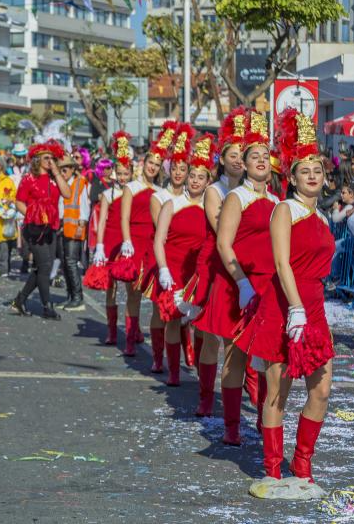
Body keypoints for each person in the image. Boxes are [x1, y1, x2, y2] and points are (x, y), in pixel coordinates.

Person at [237, 109, 334, 498]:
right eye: (304, 169)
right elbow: (281, 261)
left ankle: (303, 462)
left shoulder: (324, 219)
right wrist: (294, 308)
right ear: (291, 178)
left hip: (315, 309)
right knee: (277, 390)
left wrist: (308, 310)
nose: (312, 175)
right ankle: (273, 468)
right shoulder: (284, 209)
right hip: (283, 307)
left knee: (322, 389)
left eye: (318, 170)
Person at [193, 110, 278, 445]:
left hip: (267, 287)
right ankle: (231, 424)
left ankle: (261, 417)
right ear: (242, 163)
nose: (260, 160)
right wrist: (242, 283)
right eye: (252, 156)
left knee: (266, 355)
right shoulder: (234, 196)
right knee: (235, 354)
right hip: (235, 284)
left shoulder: (275, 201)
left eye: (265, 156)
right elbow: (223, 242)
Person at [184, 107, 249, 418]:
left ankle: (241, 397)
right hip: (217, 268)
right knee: (213, 339)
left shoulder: (255, 190)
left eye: (242, 153)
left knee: (240, 340)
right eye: (232, 154)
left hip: (247, 268)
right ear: (222, 159)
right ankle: (207, 396)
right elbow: (220, 226)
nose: (238, 159)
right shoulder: (214, 190)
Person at [152, 133, 213, 387]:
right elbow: (159, 240)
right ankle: (174, 371)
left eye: (201, 177)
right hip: (175, 270)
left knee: (201, 323)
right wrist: (164, 269)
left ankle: (200, 367)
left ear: (208, 180)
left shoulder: (213, 206)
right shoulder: (171, 203)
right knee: (173, 320)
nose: (195, 181)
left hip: (199, 273)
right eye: (192, 176)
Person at [117, 124, 169, 356]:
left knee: (155, 295)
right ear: (144, 163)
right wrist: (126, 242)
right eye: (150, 163)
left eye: (157, 165)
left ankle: (144, 334)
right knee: (133, 294)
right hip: (135, 244)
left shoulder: (160, 191)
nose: (153, 167)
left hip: (153, 244)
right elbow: (124, 216)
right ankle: (130, 337)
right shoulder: (131, 187)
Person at [147, 122, 193, 372]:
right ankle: (158, 356)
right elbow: (162, 232)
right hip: (165, 257)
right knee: (162, 311)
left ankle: (188, 351)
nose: (178, 173)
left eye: (183, 169)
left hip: (190, 261)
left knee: (189, 312)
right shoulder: (160, 197)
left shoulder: (196, 196)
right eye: (174, 168)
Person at [10, 141, 72, 319]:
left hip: (51, 228)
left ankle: (20, 300)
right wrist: (32, 214)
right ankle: (47, 306)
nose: (50, 160)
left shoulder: (55, 179)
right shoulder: (29, 178)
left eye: (52, 158)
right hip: (34, 229)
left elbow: (67, 194)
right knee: (44, 266)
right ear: (37, 159)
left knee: (43, 268)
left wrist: (56, 171)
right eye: (46, 158)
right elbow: (19, 201)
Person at [93, 132, 134, 345]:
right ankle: (111, 330)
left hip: (127, 242)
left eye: (126, 173)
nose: (123, 176)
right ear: (114, 174)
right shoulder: (107, 194)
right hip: (110, 241)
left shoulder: (135, 193)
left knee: (130, 287)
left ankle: (131, 330)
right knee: (111, 287)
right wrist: (99, 246)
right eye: (120, 173)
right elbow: (101, 222)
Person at [58, 155, 89, 311]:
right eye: (60, 170)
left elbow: (84, 207)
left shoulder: (79, 184)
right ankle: (71, 296)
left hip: (75, 228)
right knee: (65, 263)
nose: (62, 173)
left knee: (71, 263)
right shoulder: (62, 184)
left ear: (72, 169)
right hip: (64, 228)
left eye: (65, 170)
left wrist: (80, 226)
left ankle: (78, 298)